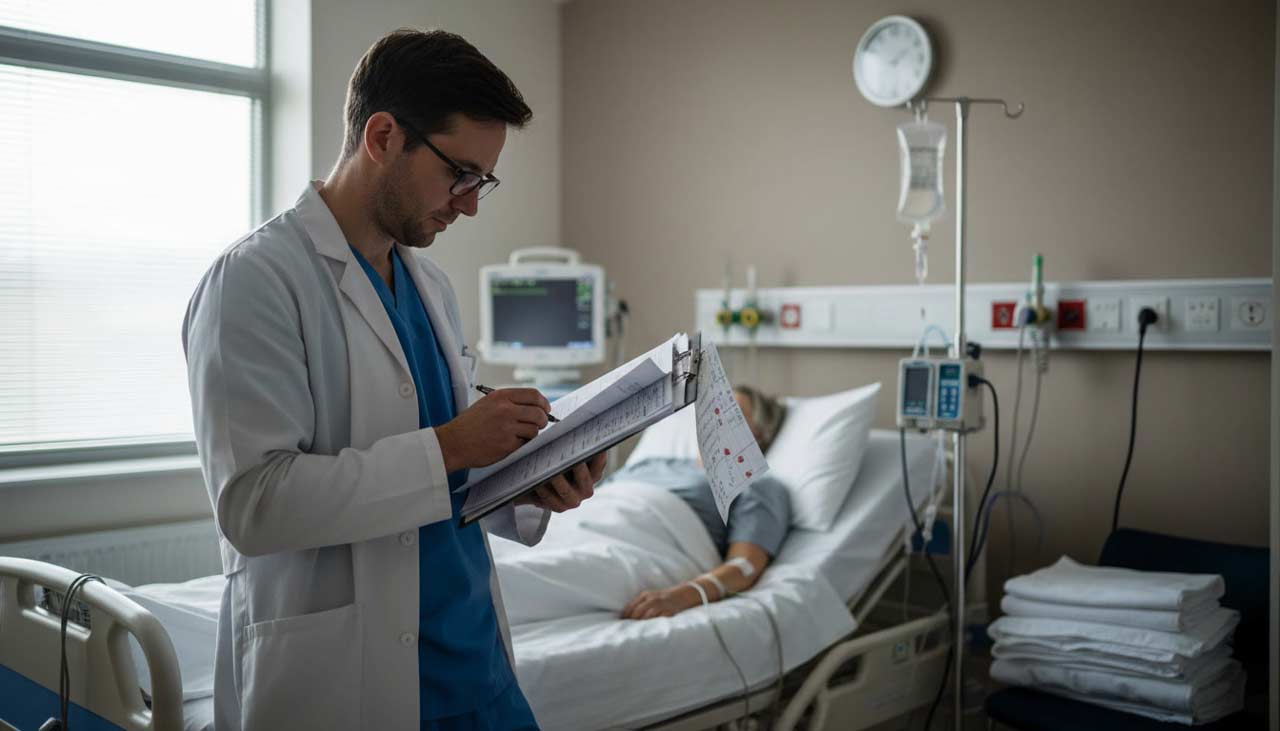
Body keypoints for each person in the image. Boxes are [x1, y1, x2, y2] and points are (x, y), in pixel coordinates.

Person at [182, 28, 603, 731]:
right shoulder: (254, 281)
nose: (469, 203)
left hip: (476, 670)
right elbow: (253, 506)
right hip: (352, 684)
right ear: (382, 136)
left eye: (482, 182)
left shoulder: (428, 284)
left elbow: (443, 481)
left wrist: (535, 477)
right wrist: (452, 445)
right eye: (459, 174)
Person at [616, 386, 791, 620]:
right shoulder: (650, 464)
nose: (713, 416)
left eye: (729, 413)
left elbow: (745, 566)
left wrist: (680, 596)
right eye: (711, 409)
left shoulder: (754, 484)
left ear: (758, 434)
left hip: (635, 547)